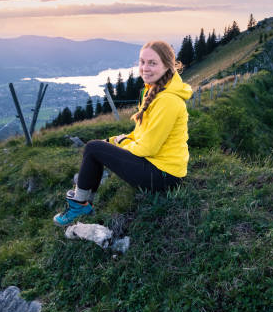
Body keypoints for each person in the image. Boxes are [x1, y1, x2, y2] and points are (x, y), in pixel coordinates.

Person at [53, 40, 193, 226]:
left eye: (152, 63)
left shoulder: (168, 100)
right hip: (161, 169)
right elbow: (142, 135)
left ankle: (80, 205)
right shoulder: (154, 92)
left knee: (93, 148)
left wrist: (120, 144)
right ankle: (83, 202)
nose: (145, 68)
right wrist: (113, 141)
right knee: (97, 148)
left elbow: (148, 147)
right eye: (142, 62)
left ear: (167, 66)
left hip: (164, 177)